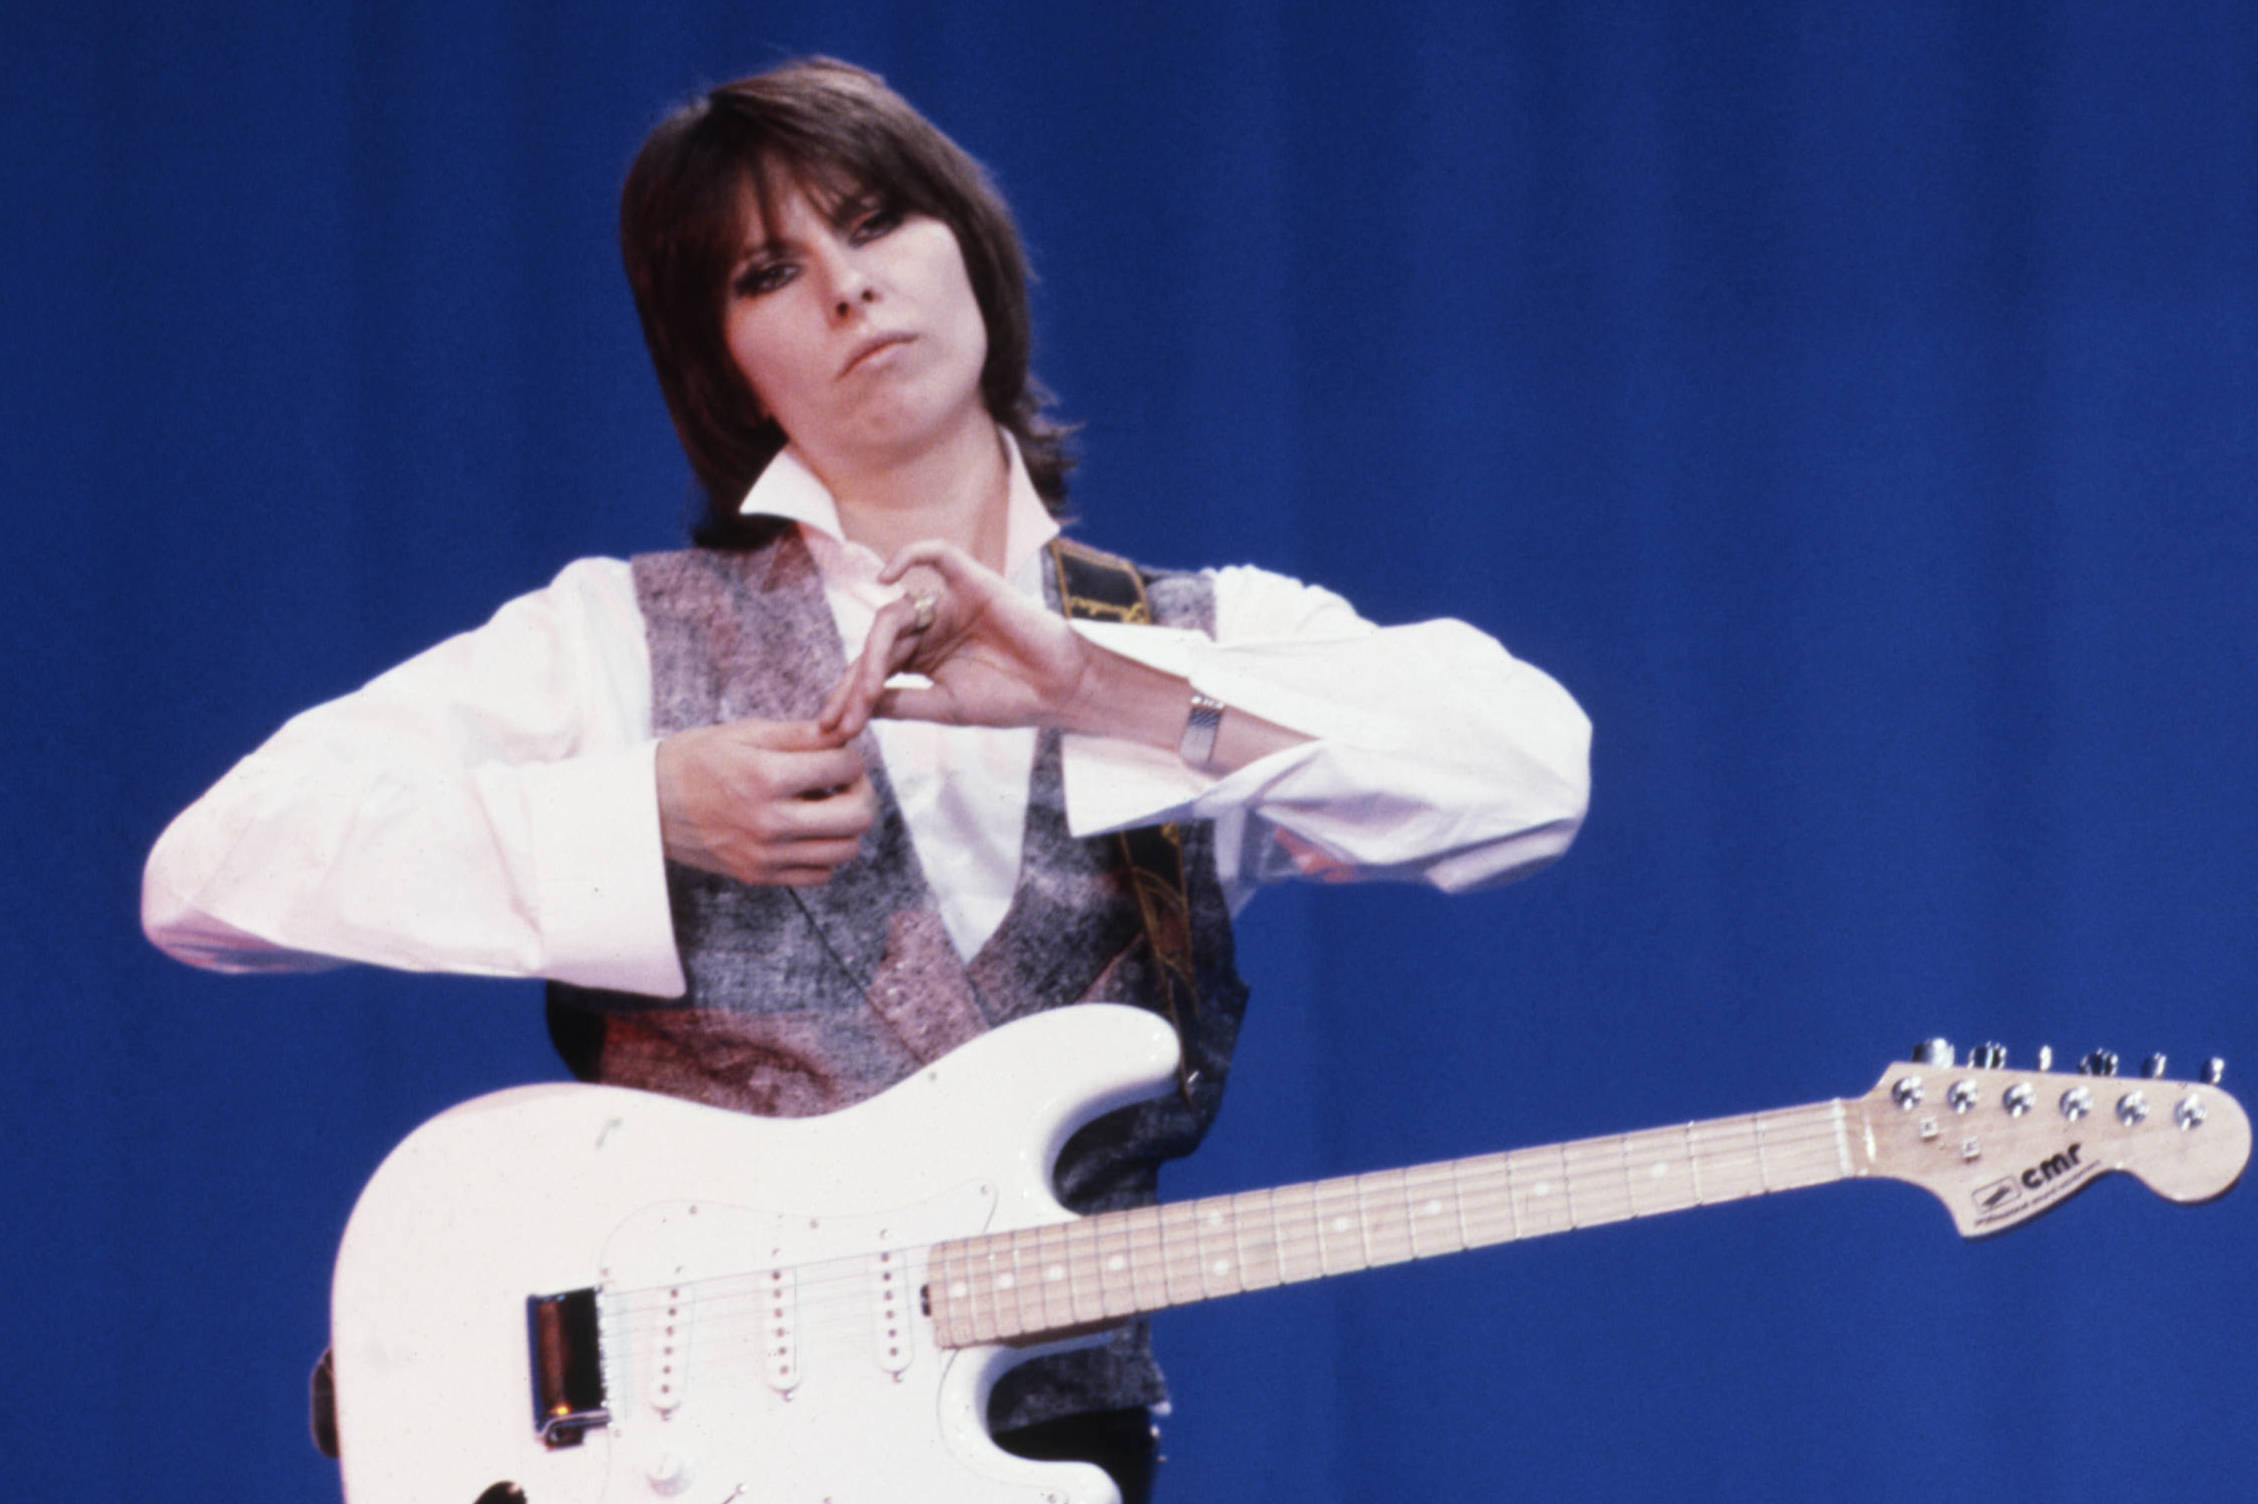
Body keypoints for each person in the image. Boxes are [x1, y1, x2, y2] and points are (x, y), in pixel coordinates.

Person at [142, 56, 1590, 1501]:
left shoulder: (1204, 643)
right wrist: (637, 812)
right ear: (723, 360)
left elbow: (1532, 773)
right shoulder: (610, 643)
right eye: (770, 270)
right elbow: (209, 873)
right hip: (673, 1462)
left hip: (1039, 1457)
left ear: (969, 249)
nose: (845, 287)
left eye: (876, 220)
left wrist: (1101, 690)